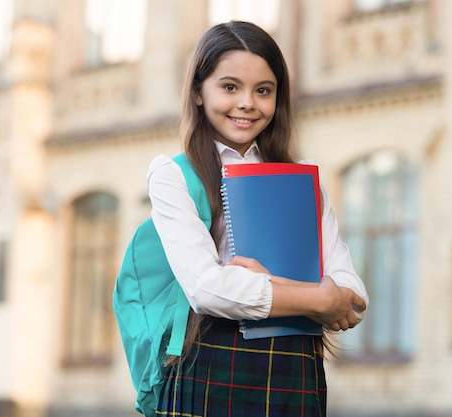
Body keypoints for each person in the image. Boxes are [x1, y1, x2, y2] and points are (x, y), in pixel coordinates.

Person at [146, 21, 368, 417]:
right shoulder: (173, 176)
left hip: (293, 368)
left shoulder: (303, 180)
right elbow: (206, 288)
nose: (247, 102)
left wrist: (271, 281)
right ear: (198, 92)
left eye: (263, 90)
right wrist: (316, 296)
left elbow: (351, 294)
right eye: (230, 87)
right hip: (208, 366)